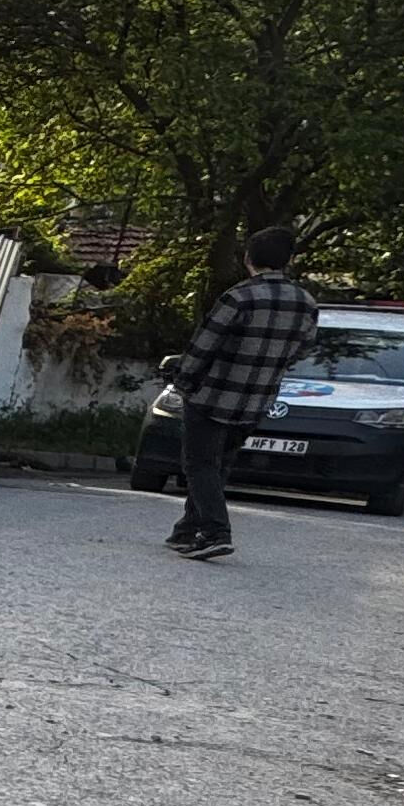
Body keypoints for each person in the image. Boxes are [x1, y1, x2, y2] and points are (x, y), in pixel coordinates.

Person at [165, 226, 324, 562]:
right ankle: (187, 530)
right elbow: (305, 347)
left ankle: (214, 531)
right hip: (257, 399)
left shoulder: (239, 296)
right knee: (219, 464)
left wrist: (184, 381)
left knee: (199, 464)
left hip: (214, 394)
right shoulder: (306, 302)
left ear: (248, 257)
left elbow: (204, 343)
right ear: (289, 259)